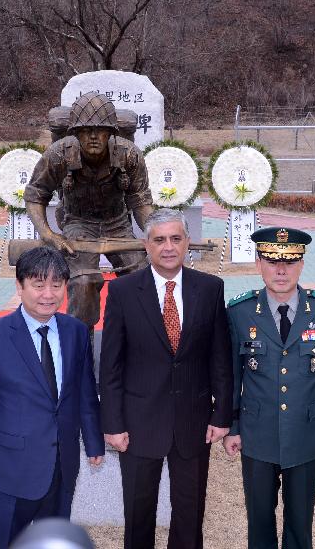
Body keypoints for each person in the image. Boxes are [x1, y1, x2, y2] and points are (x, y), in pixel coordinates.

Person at [99, 208, 233, 549]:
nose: (168, 247)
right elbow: (111, 365)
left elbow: (220, 358)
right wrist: (112, 424)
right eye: (159, 240)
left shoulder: (211, 288)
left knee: (190, 515)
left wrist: (221, 416)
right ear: (146, 245)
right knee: (138, 515)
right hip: (139, 424)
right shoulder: (123, 292)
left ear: (188, 242)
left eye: (176, 238)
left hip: (193, 422)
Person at [0, 246, 105, 549]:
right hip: (9, 470)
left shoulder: (75, 331)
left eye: (56, 285)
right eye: (38, 285)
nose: (48, 294)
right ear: (19, 286)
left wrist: (93, 441)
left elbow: (85, 391)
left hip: (62, 464)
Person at [223, 227, 315, 549]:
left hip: (306, 434)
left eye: (290, 262)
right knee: (260, 521)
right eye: (272, 261)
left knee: (300, 521)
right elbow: (232, 377)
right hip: (257, 433)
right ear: (258, 263)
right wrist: (233, 427)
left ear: (302, 264)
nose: (281, 271)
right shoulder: (239, 312)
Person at [24, 91, 154, 328]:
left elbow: (140, 199)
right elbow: (35, 194)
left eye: (101, 131)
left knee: (141, 277)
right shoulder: (59, 154)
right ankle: (81, 340)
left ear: (111, 134)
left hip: (118, 223)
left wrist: (155, 232)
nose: (93, 137)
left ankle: (138, 335)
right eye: (85, 131)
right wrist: (48, 234)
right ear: (75, 134)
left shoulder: (129, 155)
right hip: (77, 222)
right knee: (83, 281)